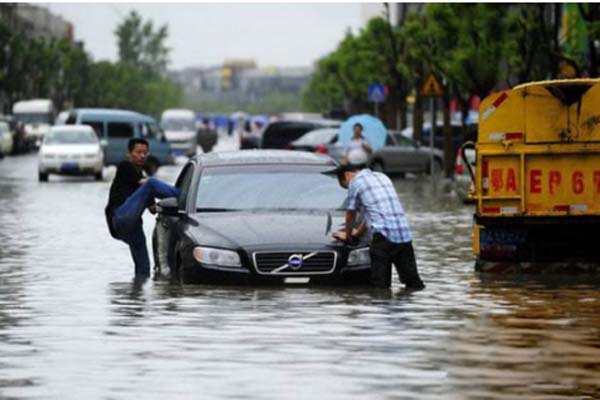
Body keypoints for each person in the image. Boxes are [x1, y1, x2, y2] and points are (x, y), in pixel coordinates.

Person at [332, 163, 425, 290]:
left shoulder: (356, 182)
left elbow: (350, 214)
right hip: (404, 235)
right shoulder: (382, 177)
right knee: (413, 284)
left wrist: (348, 236)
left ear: (347, 175)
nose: (348, 188)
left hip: (383, 238)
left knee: (380, 289)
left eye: (345, 186)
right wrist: (357, 233)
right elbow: (373, 212)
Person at [105, 138, 179, 277]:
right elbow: (145, 184)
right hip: (119, 217)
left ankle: (138, 293)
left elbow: (152, 209)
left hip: (132, 226)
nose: (142, 156)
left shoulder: (142, 182)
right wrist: (176, 196)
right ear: (129, 153)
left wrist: (167, 208)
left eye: (145, 153)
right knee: (151, 183)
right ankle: (185, 195)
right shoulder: (125, 166)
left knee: (144, 267)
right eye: (138, 152)